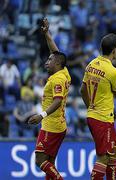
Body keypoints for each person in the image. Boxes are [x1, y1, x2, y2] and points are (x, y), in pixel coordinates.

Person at [28, 18, 71, 180]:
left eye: (50, 60)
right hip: (59, 125)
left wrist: (41, 115)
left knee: (40, 160)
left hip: (51, 126)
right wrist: (47, 34)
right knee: (50, 163)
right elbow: (56, 52)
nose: (47, 62)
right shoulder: (64, 72)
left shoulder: (57, 79)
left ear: (58, 63)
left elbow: (58, 100)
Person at [80, 33, 116, 180]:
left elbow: (82, 90)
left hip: (94, 116)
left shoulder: (91, 64)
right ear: (115, 50)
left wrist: (90, 107)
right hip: (102, 119)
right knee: (103, 157)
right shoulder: (113, 72)